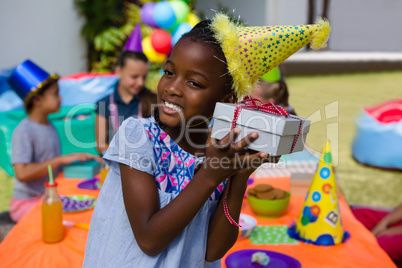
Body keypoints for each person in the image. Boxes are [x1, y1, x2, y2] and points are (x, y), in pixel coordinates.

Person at [84, 14, 330, 267]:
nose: (172, 88)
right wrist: (211, 176)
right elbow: (149, 240)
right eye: (169, 72)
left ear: (226, 101)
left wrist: (238, 177)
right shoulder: (137, 136)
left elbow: (213, 251)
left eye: (194, 82)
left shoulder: (220, 150)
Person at [7, 60, 101, 222]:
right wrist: (61, 159)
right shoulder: (24, 131)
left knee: (88, 208)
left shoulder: (49, 126)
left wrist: (76, 158)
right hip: (26, 203)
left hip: (48, 197)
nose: (60, 99)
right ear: (37, 100)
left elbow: (50, 166)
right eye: (55, 94)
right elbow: (22, 174)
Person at [95, 25, 157, 155]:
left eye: (144, 77)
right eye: (134, 77)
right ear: (119, 71)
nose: (140, 82)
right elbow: (100, 144)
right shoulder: (103, 104)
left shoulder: (152, 101)